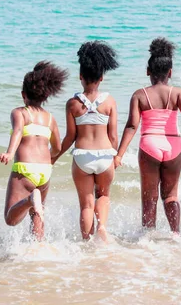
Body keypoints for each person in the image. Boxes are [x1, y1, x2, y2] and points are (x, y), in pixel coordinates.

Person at [114, 37, 181, 235]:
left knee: (149, 197)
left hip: (149, 144)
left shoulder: (139, 95)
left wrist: (119, 155)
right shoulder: (177, 93)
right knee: (171, 196)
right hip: (173, 145)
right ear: (170, 72)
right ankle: (176, 235)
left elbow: (132, 125)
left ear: (148, 71)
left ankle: (147, 239)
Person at [52, 41, 119, 242]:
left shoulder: (72, 104)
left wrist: (53, 156)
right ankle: (102, 228)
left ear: (80, 76)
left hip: (82, 158)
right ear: (101, 77)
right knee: (104, 196)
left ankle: (86, 244)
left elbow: (70, 137)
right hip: (105, 156)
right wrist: (115, 156)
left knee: (86, 204)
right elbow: (113, 136)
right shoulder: (109, 102)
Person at [0, 61, 68, 240]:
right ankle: (38, 250)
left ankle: (30, 200)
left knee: (10, 219)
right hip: (45, 171)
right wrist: (49, 159)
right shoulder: (50, 118)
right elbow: (58, 147)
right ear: (45, 96)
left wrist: (10, 152)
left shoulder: (20, 113)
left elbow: (18, 131)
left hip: (25, 169)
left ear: (23, 94)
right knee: (37, 214)